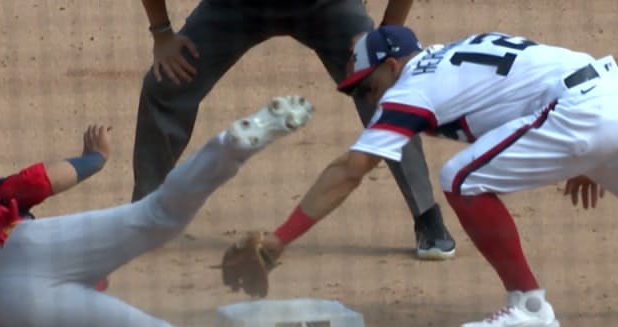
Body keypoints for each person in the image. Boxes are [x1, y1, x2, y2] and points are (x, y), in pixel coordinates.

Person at [240, 26, 618, 327]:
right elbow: (528, 87)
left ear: (393, 65)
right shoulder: (459, 54)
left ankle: (528, 306)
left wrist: (280, 239)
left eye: (367, 86)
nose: (369, 98)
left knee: (459, 178)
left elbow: (350, 169)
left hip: (582, 113)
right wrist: (583, 159)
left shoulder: (412, 85)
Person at [0, 96, 342, 327]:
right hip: (24, 246)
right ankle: (229, 147)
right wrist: (94, 158)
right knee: (158, 213)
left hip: (8, 312)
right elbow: (34, 181)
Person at [132, 0, 457, 260]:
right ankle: (143, 215)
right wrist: (162, 33)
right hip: (233, 7)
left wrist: (386, 35)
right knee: (166, 83)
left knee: (387, 91)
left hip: (328, 6)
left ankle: (427, 217)